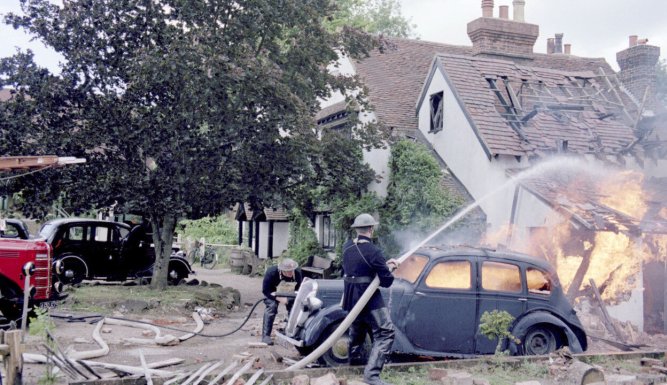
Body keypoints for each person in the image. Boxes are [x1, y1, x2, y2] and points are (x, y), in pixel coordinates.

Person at [342, 213, 398, 385]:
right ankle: (371, 375)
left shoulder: (347, 247)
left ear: (357, 229)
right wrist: (391, 268)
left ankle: (355, 365)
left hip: (351, 298)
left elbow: (359, 267)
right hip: (368, 298)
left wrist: (383, 265)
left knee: (357, 331)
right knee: (386, 332)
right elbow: (387, 281)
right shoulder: (374, 251)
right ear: (371, 229)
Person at [261, 258, 303, 345]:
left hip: (290, 293)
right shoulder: (271, 272)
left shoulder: (298, 273)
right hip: (273, 293)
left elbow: (300, 290)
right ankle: (266, 335)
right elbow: (265, 291)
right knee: (272, 307)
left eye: (292, 271)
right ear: (281, 270)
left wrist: (289, 299)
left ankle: (291, 332)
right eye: (288, 271)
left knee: (295, 308)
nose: (290, 273)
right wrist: (279, 299)